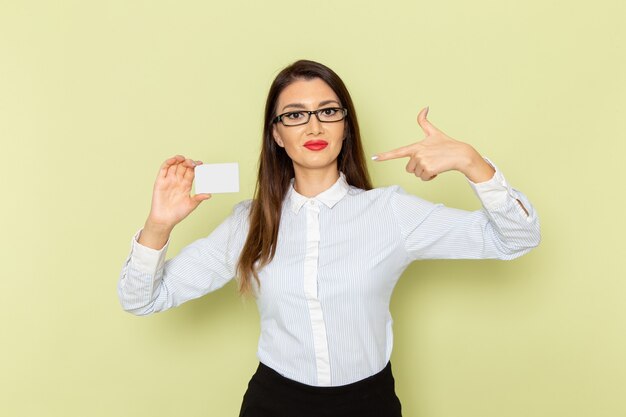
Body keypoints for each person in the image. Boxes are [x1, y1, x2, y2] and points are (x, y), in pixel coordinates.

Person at [118, 59, 540, 417]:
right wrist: (159, 225)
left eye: (328, 111)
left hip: (368, 402)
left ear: (345, 127)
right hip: (274, 403)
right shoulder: (249, 223)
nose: (314, 125)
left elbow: (516, 238)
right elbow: (143, 299)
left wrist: (473, 163)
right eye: (295, 114)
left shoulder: (390, 213)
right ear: (277, 135)